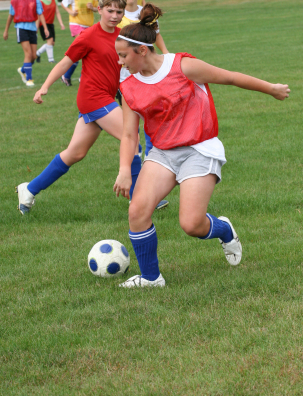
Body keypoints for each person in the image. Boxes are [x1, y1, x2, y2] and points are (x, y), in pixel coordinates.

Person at [113, 4, 291, 288]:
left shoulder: (182, 66)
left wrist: (271, 88)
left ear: (142, 51)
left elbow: (230, 77)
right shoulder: (129, 83)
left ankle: (224, 230)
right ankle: (150, 278)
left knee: (191, 224)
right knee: (137, 211)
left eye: (123, 55)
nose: (120, 62)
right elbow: (129, 134)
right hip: (162, 153)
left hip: (199, 148)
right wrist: (125, 169)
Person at [15, 0, 142, 216]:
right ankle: (140, 199)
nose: (114, 15)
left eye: (118, 11)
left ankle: (29, 189)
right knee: (132, 138)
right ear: (99, 9)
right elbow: (65, 62)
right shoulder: (88, 36)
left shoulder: (121, 36)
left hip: (105, 98)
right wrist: (44, 87)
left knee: (76, 153)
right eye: (109, 10)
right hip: (94, 98)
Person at [116, 0, 170, 210]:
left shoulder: (145, 16)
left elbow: (157, 37)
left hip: (149, 80)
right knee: (133, 137)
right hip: (128, 86)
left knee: (150, 135)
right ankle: (138, 191)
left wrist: (167, 56)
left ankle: (145, 191)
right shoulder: (119, 18)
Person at [3, 0, 49, 87]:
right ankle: (29, 79)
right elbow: (10, 16)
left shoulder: (36, 1)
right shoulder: (15, 1)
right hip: (21, 28)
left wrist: (45, 28)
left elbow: (40, 14)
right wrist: (6, 30)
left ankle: (23, 70)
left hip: (32, 29)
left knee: (33, 56)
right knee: (28, 54)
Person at [60, 0, 99, 86]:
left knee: (84, 52)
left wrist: (92, 8)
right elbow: (63, 3)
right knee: (83, 50)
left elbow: (99, 8)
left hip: (88, 25)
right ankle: (83, 78)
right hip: (76, 24)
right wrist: (70, 12)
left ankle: (66, 76)